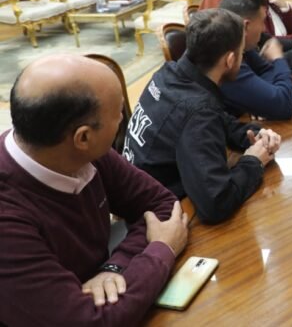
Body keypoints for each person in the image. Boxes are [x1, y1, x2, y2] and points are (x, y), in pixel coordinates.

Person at [0, 54, 189, 325]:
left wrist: (114, 268)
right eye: (119, 113)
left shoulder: (78, 151)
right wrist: (162, 249)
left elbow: (161, 205)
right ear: (84, 137)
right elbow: (91, 320)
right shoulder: (8, 221)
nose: (123, 119)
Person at [123, 9, 281, 224]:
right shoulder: (197, 109)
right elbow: (217, 204)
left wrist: (253, 134)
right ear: (230, 60)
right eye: (242, 54)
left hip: (140, 198)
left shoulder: (170, 73)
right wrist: (253, 161)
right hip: (157, 222)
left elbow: (216, 119)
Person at [219, 0, 292, 119]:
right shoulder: (226, 57)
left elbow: (266, 70)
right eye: (262, 22)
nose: (264, 28)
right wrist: (278, 59)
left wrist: (258, 97)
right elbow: (284, 106)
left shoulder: (238, 43)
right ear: (246, 26)